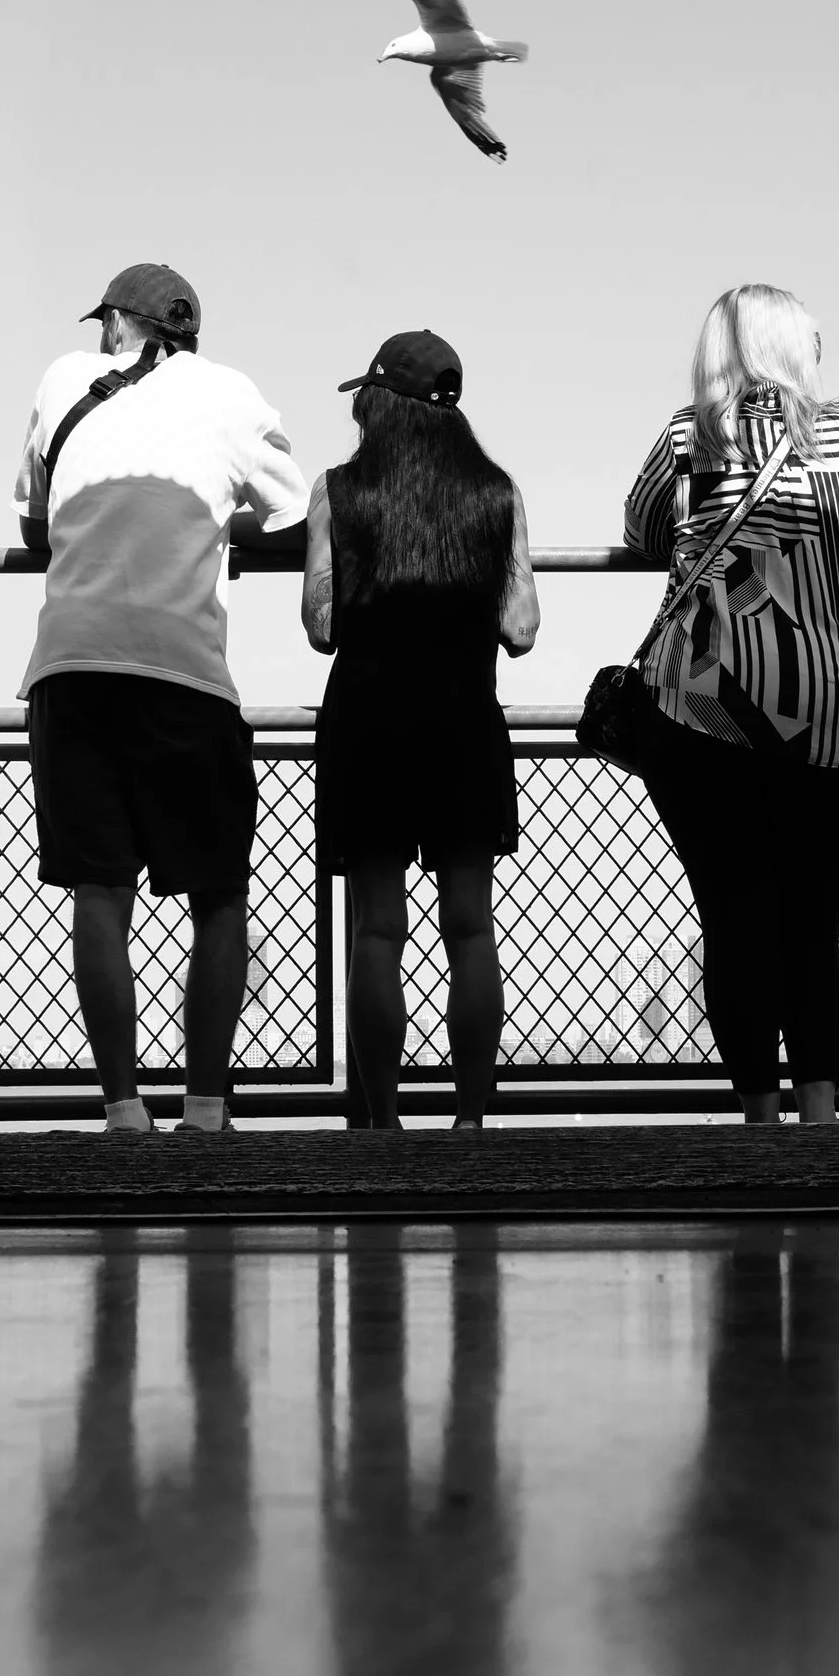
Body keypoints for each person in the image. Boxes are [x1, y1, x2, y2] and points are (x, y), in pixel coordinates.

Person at [14, 260, 307, 1132]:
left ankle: (122, 1108)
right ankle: (208, 1108)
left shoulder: (64, 380)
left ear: (115, 324)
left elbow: (34, 525)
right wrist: (215, 521)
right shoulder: (231, 393)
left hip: (71, 666)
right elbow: (292, 520)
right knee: (218, 893)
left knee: (99, 894)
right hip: (184, 674)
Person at [621, 283, 839, 1126]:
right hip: (835, 714)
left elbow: (642, 529)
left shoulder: (686, 436)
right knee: (814, 920)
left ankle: (758, 1120)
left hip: (710, 712)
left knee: (735, 916)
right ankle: (822, 1117)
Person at [302, 328, 538, 1131]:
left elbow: (320, 623)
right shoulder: (495, 493)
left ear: (377, 401)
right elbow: (523, 625)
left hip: (367, 721)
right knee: (470, 925)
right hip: (464, 720)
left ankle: (386, 1125)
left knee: (378, 927)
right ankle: (470, 1121)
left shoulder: (338, 490)